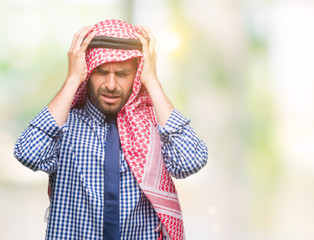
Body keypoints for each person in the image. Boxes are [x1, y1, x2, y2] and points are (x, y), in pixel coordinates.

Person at [14, 19, 207, 240]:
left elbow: (191, 162)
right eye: (101, 72)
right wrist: (72, 79)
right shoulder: (64, 125)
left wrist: (152, 80)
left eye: (123, 74)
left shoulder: (156, 126)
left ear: (137, 75)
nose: (111, 84)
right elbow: (28, 154)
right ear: (87, 72)